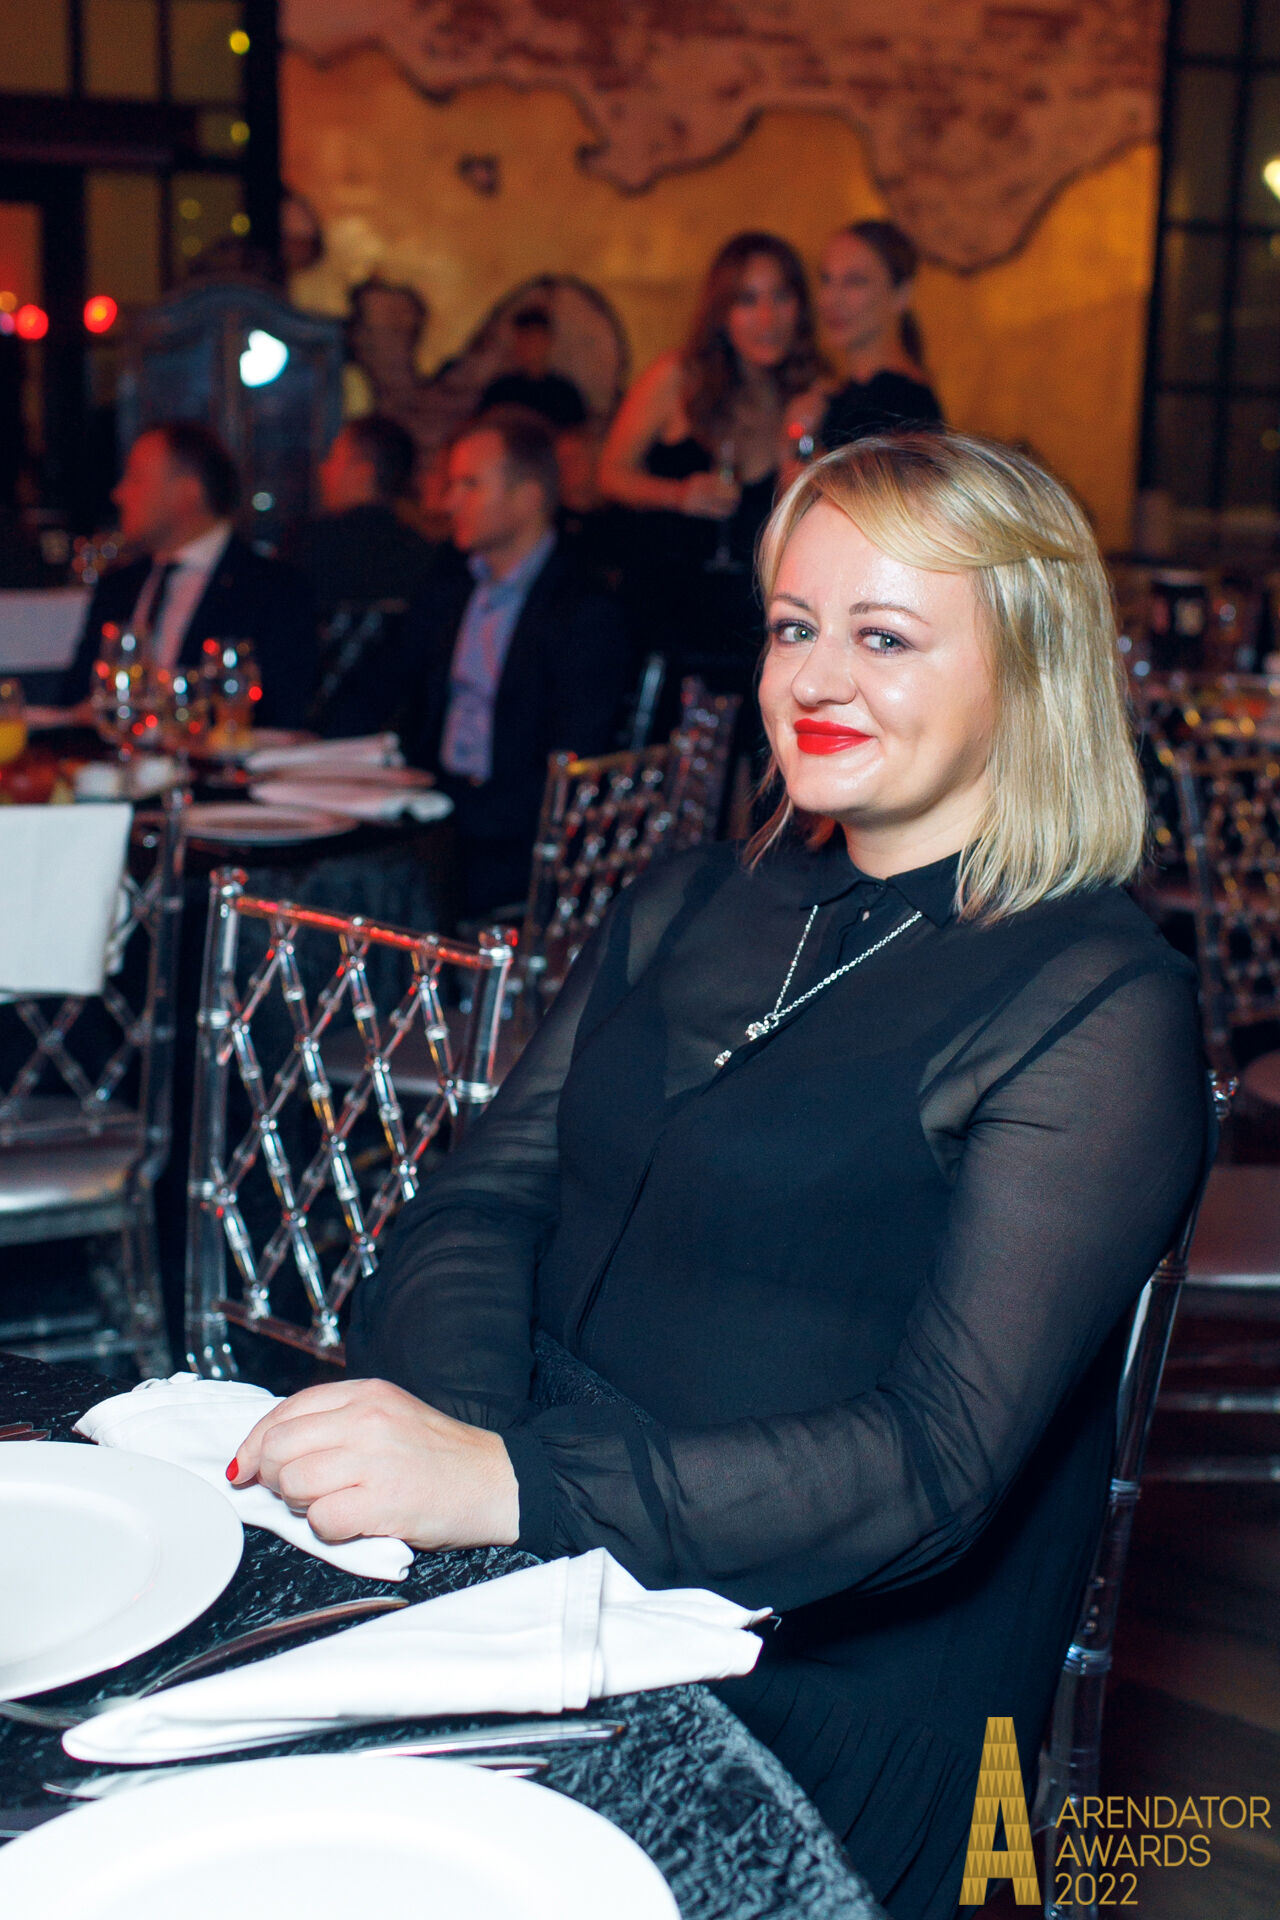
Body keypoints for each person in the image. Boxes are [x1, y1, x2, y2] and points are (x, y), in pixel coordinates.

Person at [229, 433, 1209, 1920]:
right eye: (794, 627)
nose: (816, 680)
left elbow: (933, 1469)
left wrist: (509, 1488)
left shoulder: (1095, 1003)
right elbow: (478, 1205)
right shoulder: (688, 898)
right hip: (553, 1558)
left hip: (810, 1666)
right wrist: (475, 1467)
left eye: (884, 637)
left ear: (1029, 671)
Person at [394, 405, 630, 916]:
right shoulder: (451, 583)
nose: (449, 502)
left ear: (528, 498)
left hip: (516, 835)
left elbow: (572, 758)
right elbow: (392, 688)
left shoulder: (582, 606)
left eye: (469, 485)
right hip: (435, 809)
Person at [598, 232, 823, 702]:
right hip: (663, 627)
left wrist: (803, 458)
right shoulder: (678, 377)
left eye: (781, 297)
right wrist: (677, 495)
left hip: (750, 634)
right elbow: (611, 473)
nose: (767, 318)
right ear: (722, 312)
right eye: (747, 300)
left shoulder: (809, 397)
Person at [62, 422, 315, 727]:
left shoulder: (273, 590)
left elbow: (278, 714)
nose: (119, 494)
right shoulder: (119, 585)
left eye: (136, 479)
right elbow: (75, 699)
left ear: (187, 492)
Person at [291, 415, 437, 736]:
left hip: (308, 735)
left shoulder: (309, 545)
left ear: (363, 472)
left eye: (334, 457)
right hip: (398, 735)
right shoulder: (428, 554)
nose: (324, 469)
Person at [789, 221, 943, 459]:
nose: (831, 299)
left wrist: (797, 446)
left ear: (902, 293)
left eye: (855, 281)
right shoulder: (838, 397)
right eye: (826, 279)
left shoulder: (903, 405)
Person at [479, 306, 588, 431]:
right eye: (523, 339)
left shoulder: (565, 393)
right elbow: (478, 427)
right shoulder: (500, 389)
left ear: (548, 342)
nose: (529, 346)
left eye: (534, 339)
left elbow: (580, 435)